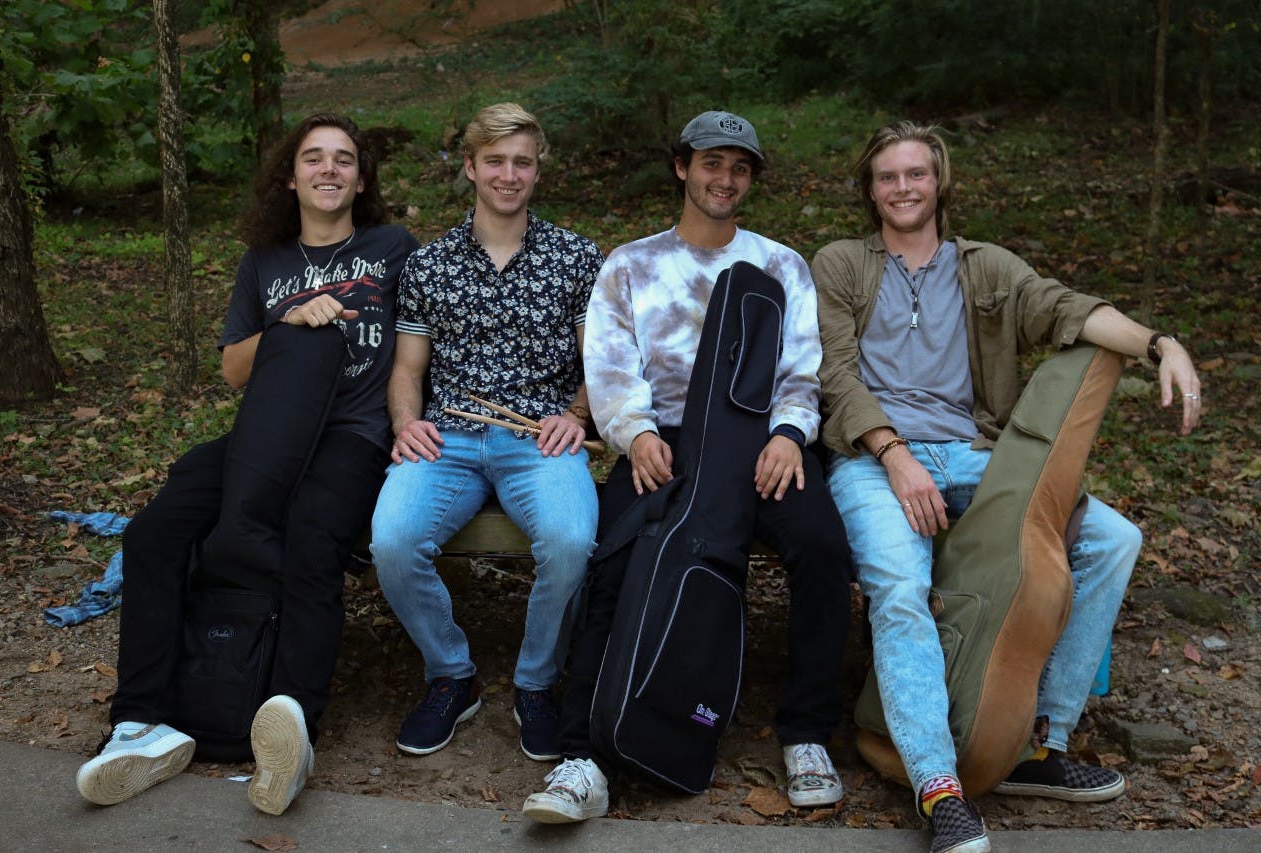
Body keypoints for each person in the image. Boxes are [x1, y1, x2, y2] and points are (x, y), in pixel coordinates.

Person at [812, 121, 1202, 853]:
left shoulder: (985, 267)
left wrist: (1161, 344)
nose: (903, 188)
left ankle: (1038, 742)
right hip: (874, 458)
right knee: (899, 584)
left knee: (1113, 539)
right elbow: (833, 374)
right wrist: (893, 454)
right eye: (888, 177)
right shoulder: (839, 264)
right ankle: (939, 786)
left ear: (940, 182)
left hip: (971, 454)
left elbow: (1070, 309)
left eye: (916, 175)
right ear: (870, 189)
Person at [74, 113, 419, 815]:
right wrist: (287, 323)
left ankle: (291, 725)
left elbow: (419, 341)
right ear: (288, 177)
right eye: (313, 158)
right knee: (153, 532)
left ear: (361, 179)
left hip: (352, 436)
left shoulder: (393, 248)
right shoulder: (264, 261)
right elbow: (234, 369)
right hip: (264, 432)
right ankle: (139, 722)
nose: (329, 169)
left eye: (344, 159)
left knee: (313, 533)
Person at [522, 110, 852, 824]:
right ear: (682, 167)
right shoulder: (631, 265)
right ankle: (582, 754)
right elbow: (608, 366)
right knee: (611, 554)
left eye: (739, 168)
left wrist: (792, 435)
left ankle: (806, 733)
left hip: (757, 442)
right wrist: (634, 433)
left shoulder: (780, 265)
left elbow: (802, 371)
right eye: (711, 163)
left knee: (823, 546)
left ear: (751, 180)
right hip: (663, 441)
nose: (724, 179)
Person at [369, 103, 603, 764]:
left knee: (569, 538)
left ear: (537, 168)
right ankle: (452, 672)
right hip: (450, 438)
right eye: (495, 161)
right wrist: (406, 423)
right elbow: (408, 366)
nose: (509, 174)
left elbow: (600, 364)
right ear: (470, 167)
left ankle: (535, 681)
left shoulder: (577, 257)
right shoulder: (430, 264)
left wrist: (578, 415)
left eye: (522, 161)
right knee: (393, 539)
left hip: (540, 437)